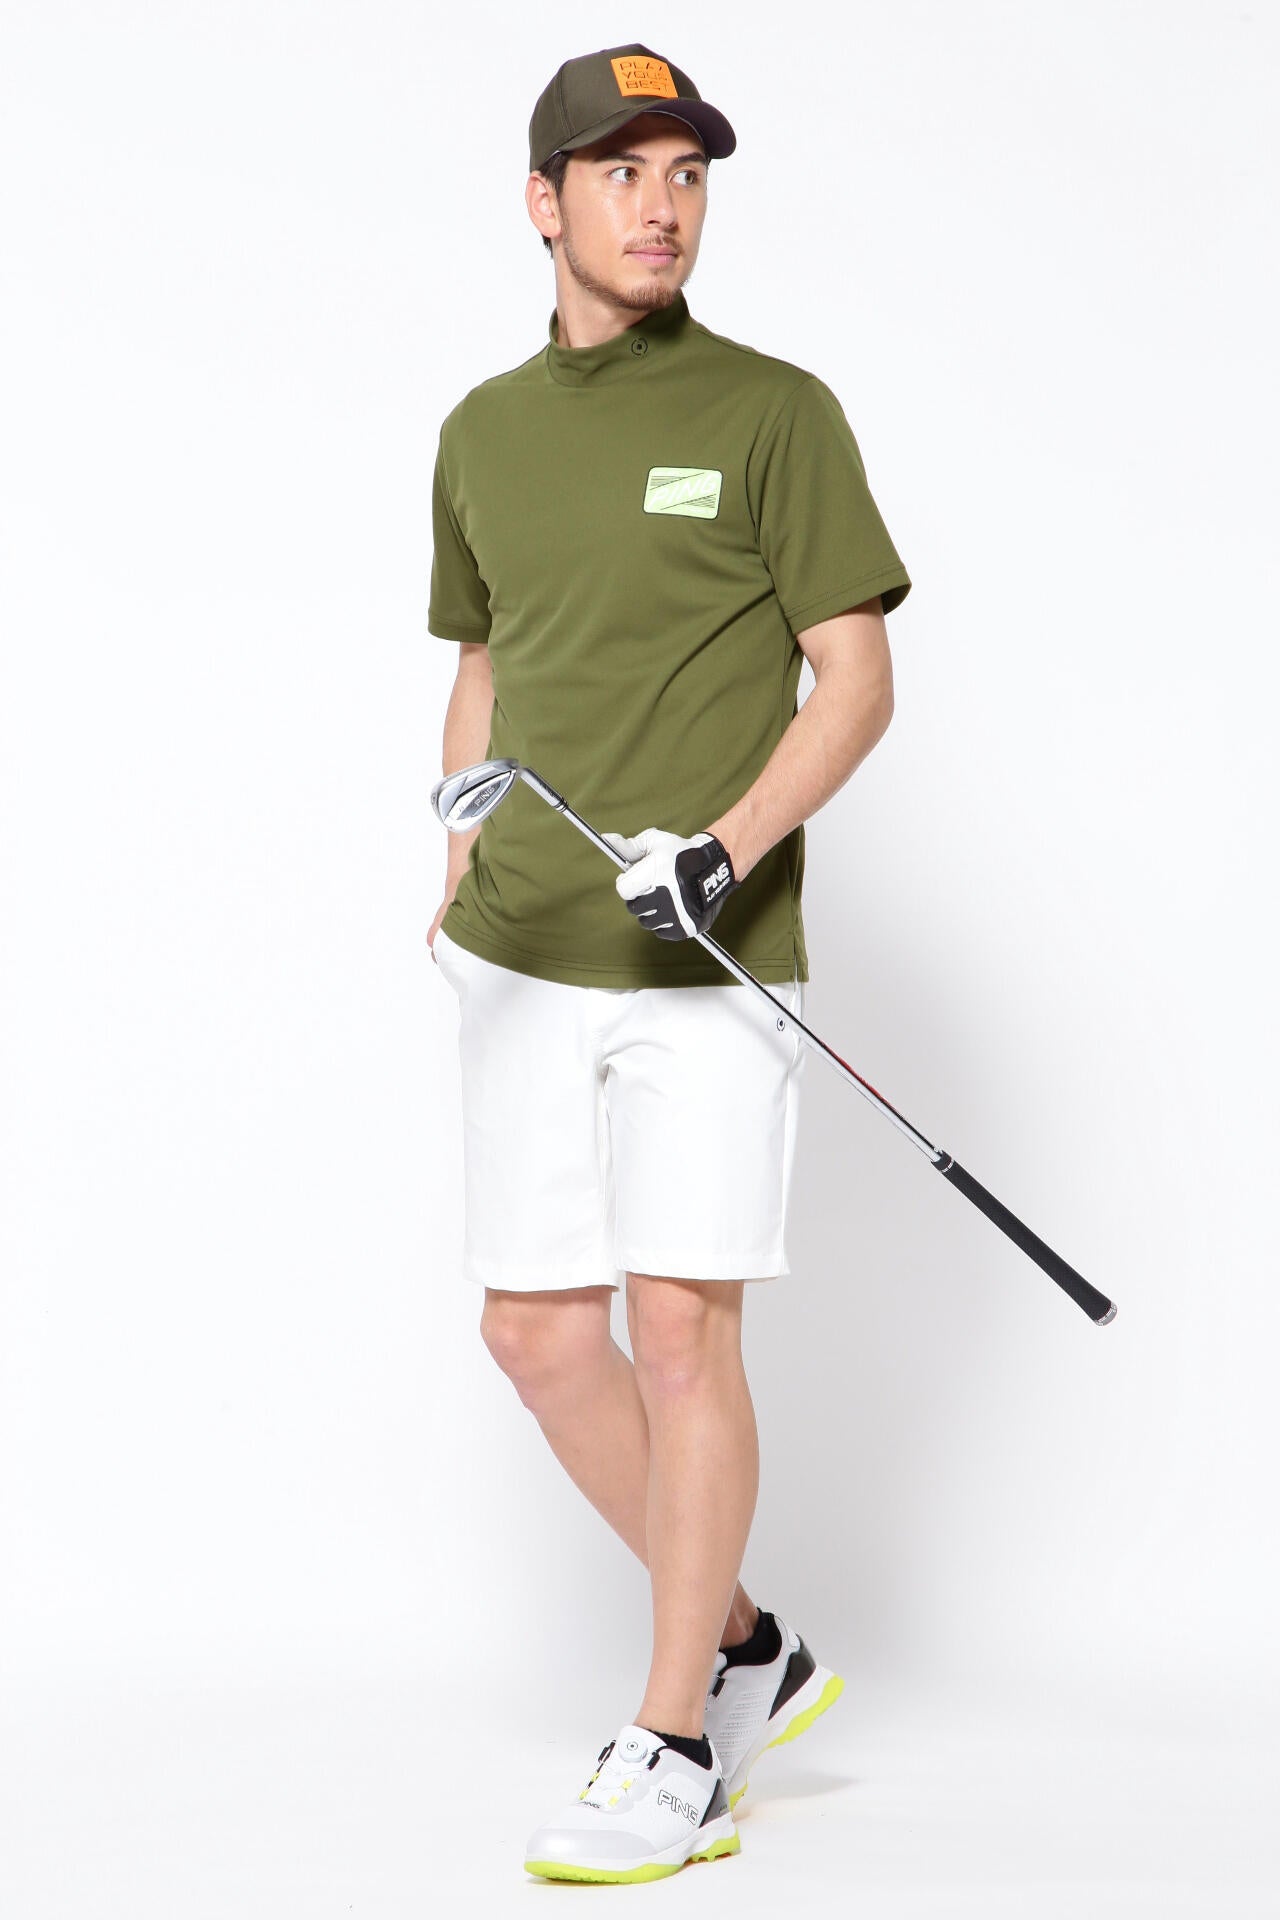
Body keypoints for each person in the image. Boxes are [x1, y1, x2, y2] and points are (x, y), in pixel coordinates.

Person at [427, 42, 912, 1885]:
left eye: (686, 173)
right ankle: (748, 1642)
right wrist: (454, 846)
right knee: (536, 1333)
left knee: (682, 1333)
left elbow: (854, 679)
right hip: (521, 956)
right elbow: (486, 660)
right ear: (542, 202)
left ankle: (678, 1741)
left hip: (708, 961)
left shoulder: (777, 413)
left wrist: (725, 846)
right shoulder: (482, 431)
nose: (661, 205)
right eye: (621, 172)